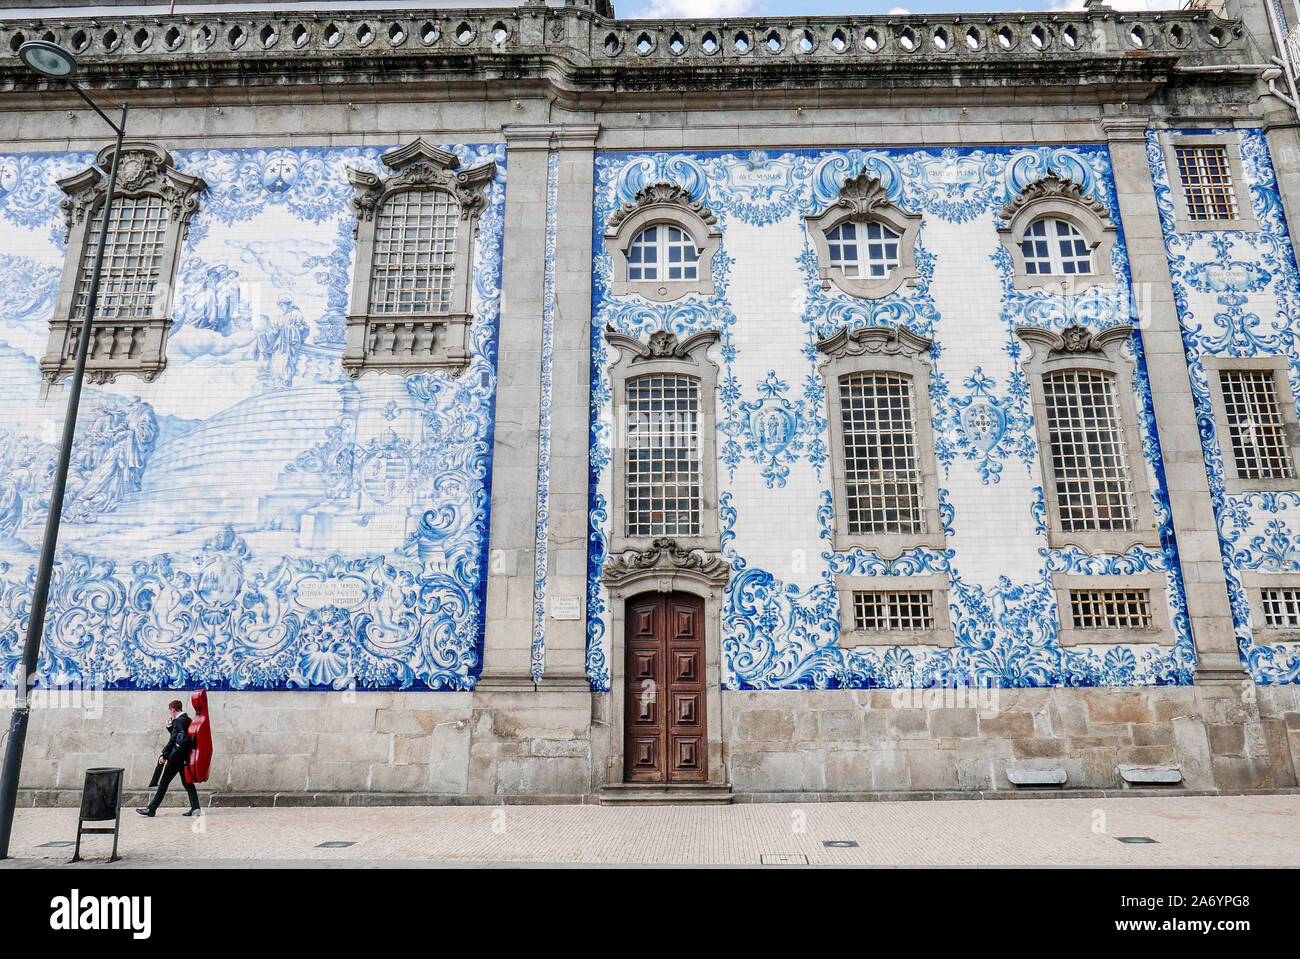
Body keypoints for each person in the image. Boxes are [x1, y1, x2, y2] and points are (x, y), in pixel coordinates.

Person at [137, 699, 201, 817]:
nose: (170, 713)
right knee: (188, 783)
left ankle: (151, 809)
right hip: (183, 758)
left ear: (173, 710)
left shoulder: (178, 721)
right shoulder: (187, 720)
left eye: (170, 711)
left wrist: (164, 755)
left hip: (175, 758)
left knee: (164, 782)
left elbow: (174, 740)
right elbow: (180, 737)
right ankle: (196, 808)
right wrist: (170, 727)